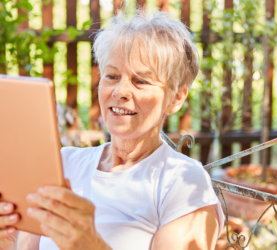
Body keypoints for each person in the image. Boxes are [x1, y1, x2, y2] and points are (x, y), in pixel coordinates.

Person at [0, 9, 224, 250]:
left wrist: (89, 244)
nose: (120, 91)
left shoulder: (182, 182)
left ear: (176, 98)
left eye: (140, 81)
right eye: (112, 76)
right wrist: (7, 238)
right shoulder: (63, 164)